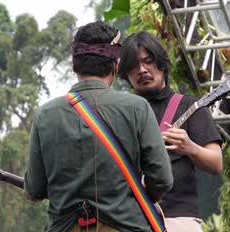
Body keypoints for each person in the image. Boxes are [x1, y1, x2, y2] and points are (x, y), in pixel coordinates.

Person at [23, 22, 173, 232]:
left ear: (75, 66)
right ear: (116, 64)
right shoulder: (137, 108)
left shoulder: (44, 115)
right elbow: (162, 179)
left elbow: (35, 189)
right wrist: (146, 198)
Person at [118, 31, 223, 232]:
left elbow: (216, 163)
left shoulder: (189, 107)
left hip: (178, 218)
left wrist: (190, 148)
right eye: (133, 66)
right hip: (130, 220)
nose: (142, 70)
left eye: (148, 61)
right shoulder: (122, 114)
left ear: (161, 62)